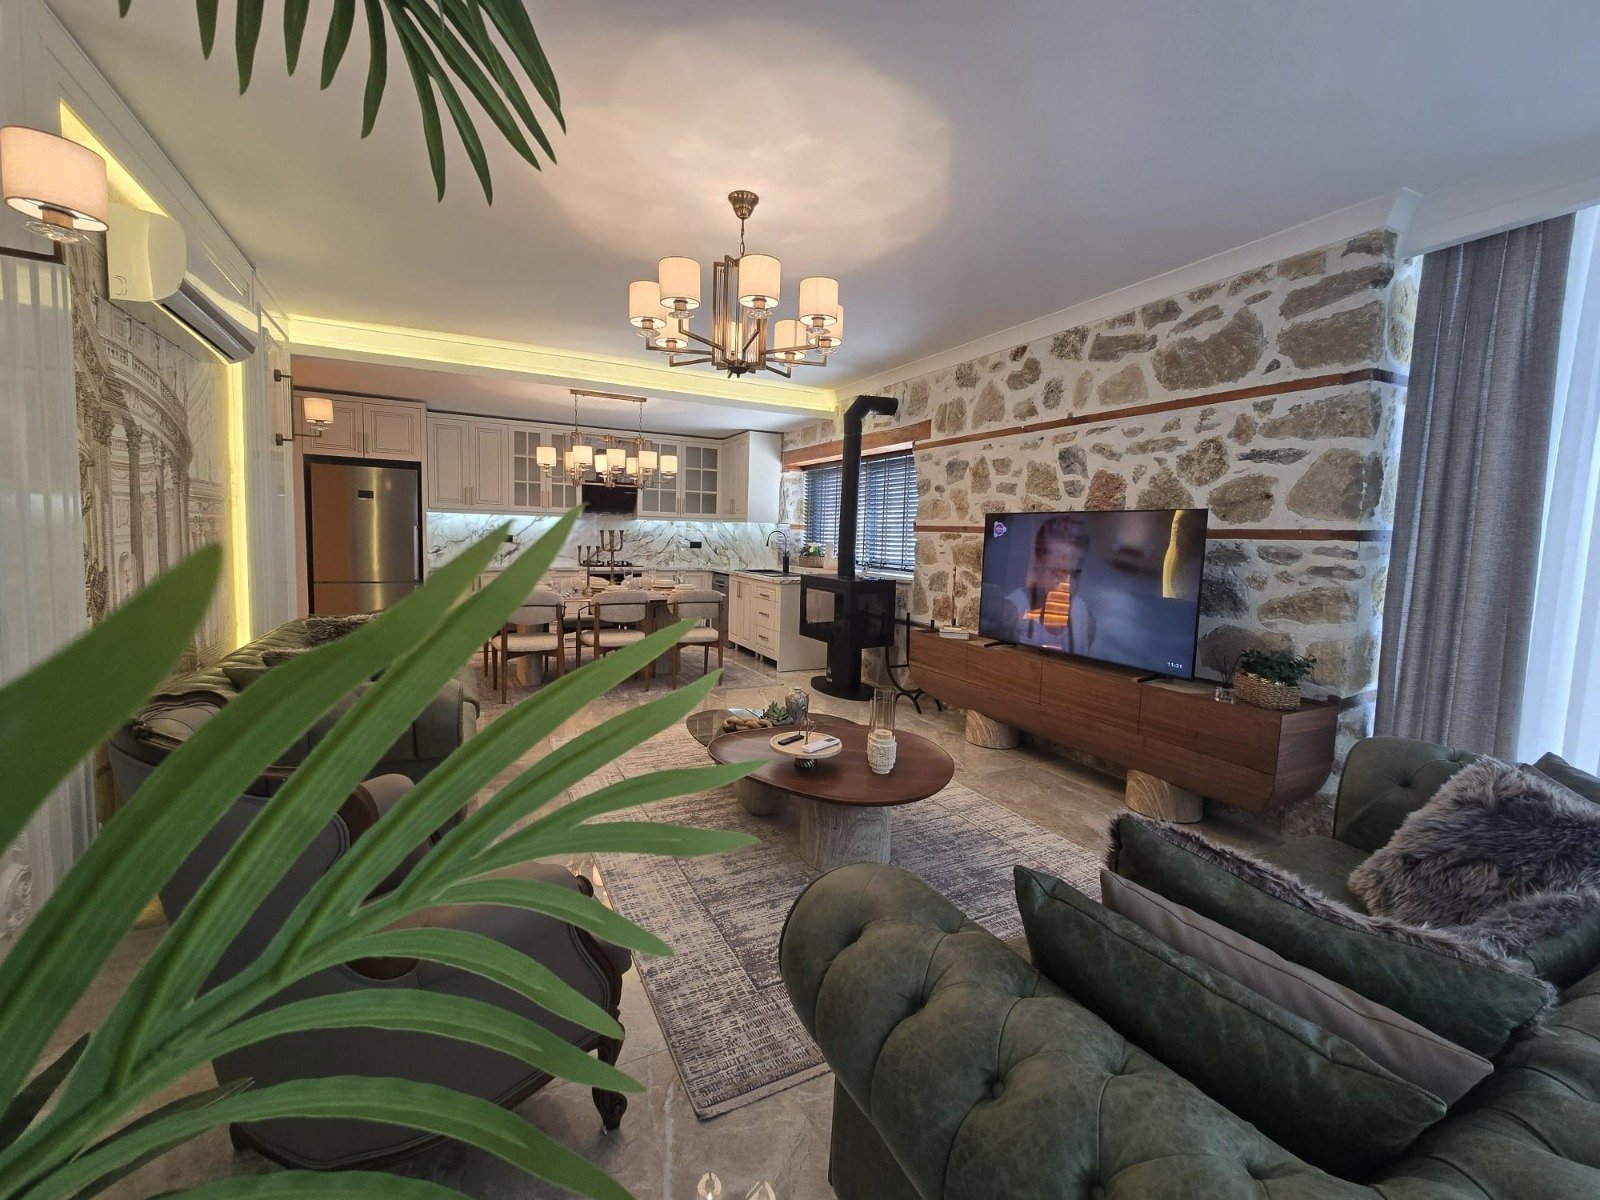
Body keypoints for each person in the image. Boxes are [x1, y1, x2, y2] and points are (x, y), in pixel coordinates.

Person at [996, 514, 1097, 654]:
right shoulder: (1010, 616)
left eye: (1075, 574)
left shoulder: (1084, 619)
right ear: (1037, 569)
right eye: (1058, 573)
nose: (1068, 586)